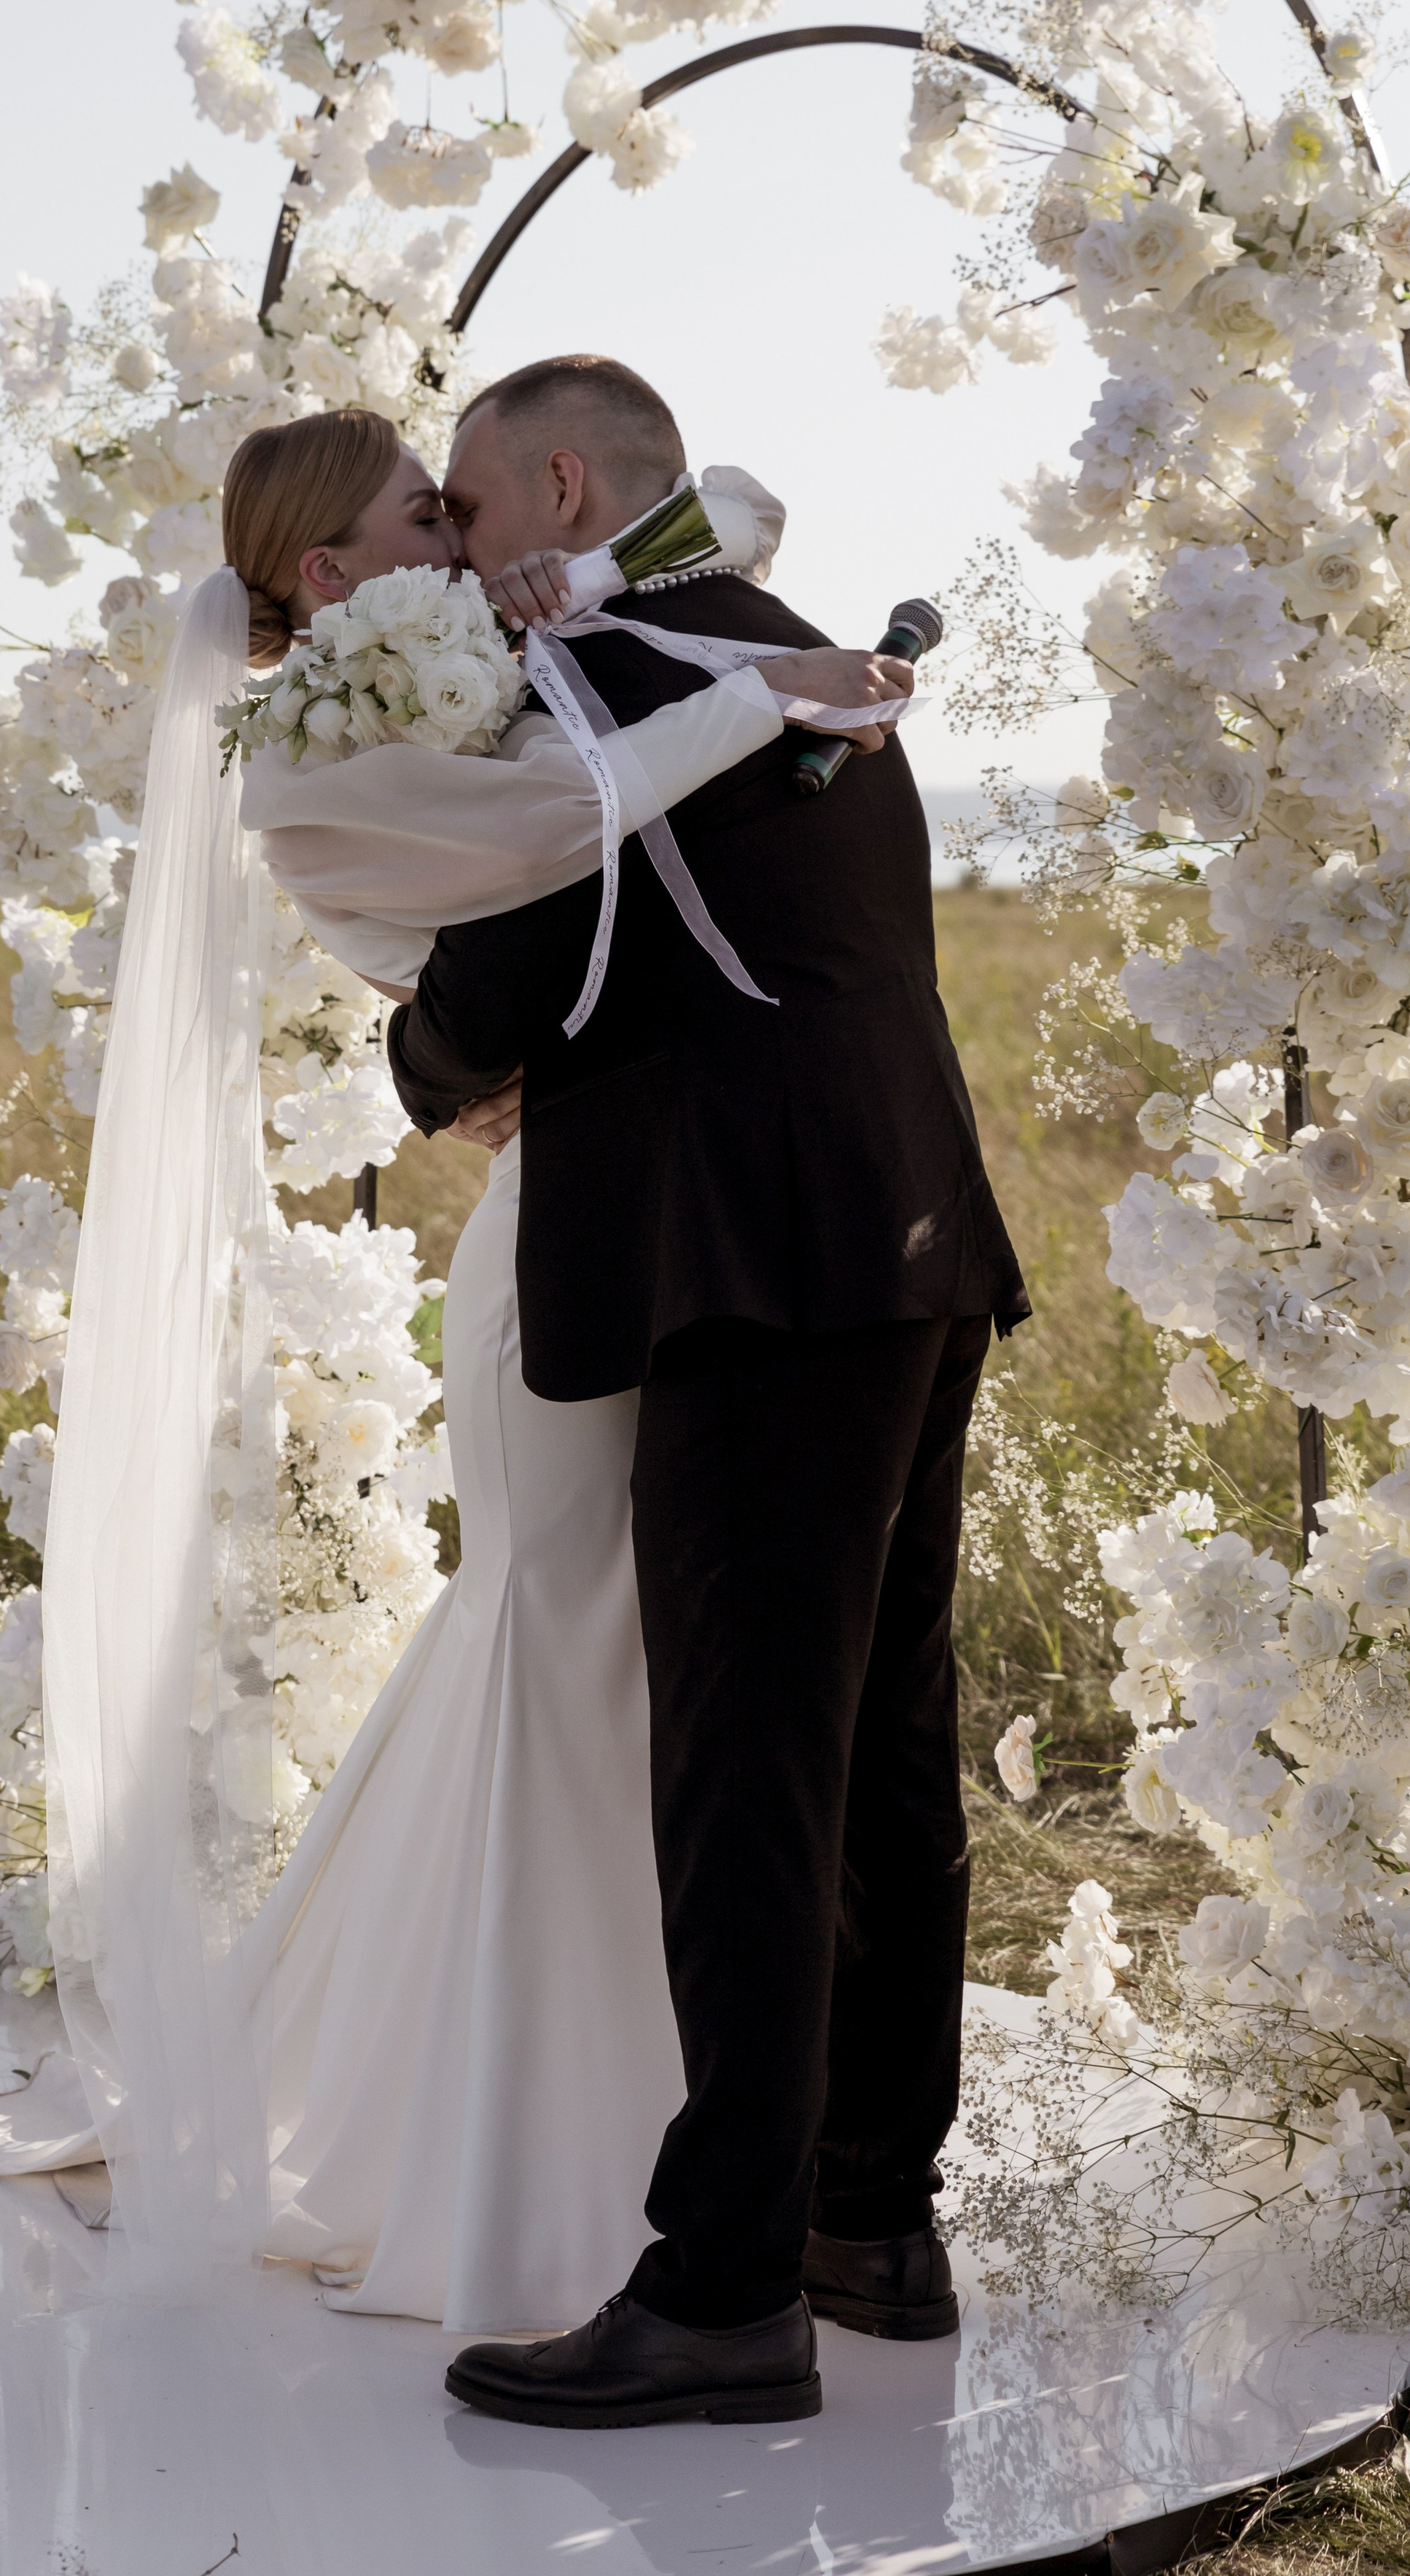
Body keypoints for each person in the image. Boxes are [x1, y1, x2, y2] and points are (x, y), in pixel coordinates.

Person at [0, 404, 905, 2338]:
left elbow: (739, 498)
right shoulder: (313, 755)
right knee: (563, 1638)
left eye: (474, 500)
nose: (462, 530)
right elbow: (536, 856)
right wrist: (772, 687)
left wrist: (576, 573)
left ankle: (686, 2135)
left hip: (628, 1207)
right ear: (330, 574)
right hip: (566, 1239)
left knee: (626, 1667)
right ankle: (520, 2157)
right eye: (422, 512)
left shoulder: (487, 644)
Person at [384, 354, 1030, 2428]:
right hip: (913, 1240)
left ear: (565, 484)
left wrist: (430, 1063)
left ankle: (728, 2284)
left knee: (747, 1771)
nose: (464, 561)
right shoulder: (777, 652)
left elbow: (484, 982)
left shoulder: (610, 694)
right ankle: (870, 2217)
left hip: (750, 1270)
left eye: (471, 516)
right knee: (880, 1746)